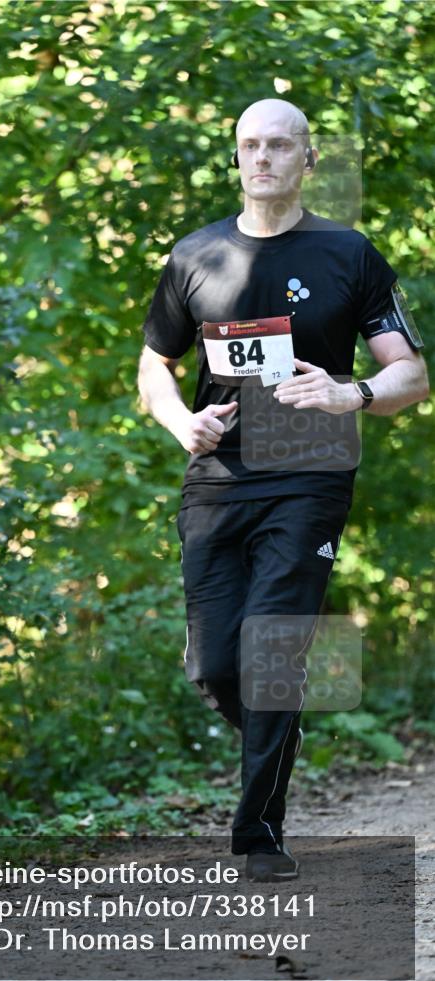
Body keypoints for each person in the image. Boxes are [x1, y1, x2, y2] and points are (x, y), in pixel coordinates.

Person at [137, 98, 429, 882]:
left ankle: (257, 834)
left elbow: (411, 372)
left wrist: (352, 395)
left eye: (277, 145)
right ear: (234, 159)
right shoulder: (194, 256)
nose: (260, 157)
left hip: (310, 466)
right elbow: (153, 364)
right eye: (247, 146)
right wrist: (177, 422)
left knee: (272, 648)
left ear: (307, 159)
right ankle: (279, 728)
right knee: (213, 665)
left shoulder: (347, 252)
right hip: (218, 475)